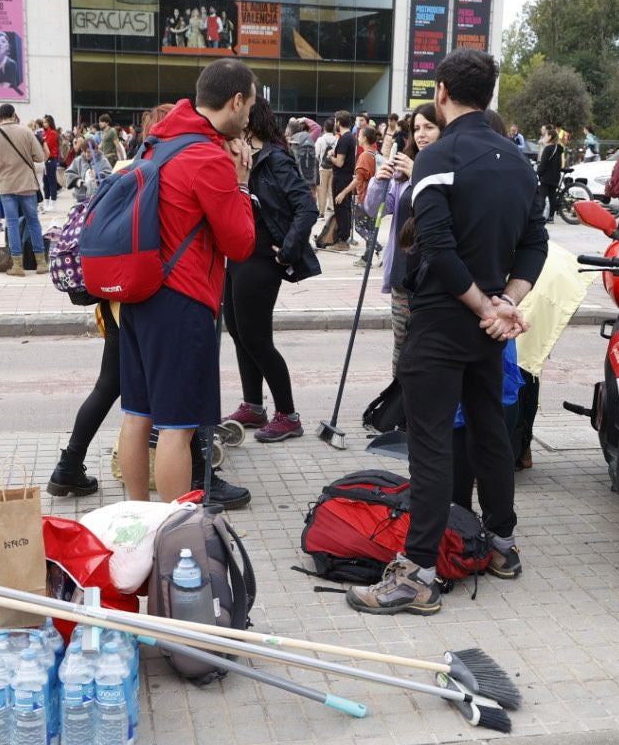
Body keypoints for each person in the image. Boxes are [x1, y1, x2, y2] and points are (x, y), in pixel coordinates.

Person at [346, 49, 546, 617]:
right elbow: (536, 241)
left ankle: (420, 574)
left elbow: (436, 245)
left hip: (441, 320)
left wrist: (490, 303)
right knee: (490, 434)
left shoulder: (438, 157)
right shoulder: (518, 161)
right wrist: (506, 302)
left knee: (431, 445)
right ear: (490, 95)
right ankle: (502, 546)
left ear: (441, 91)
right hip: (489, 327)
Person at [117, 60, 258, 503]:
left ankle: (138, 520)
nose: (250, 117)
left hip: (139, 295)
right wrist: (241, 181)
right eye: (250, 106)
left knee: (137, 416)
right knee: (176, 429)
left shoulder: (157, 144)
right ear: (235, 101)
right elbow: (240, 243)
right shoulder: (207, 158)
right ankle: (174, 531)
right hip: (181, 302)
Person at [222, 99, 320, 444]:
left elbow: (307, 207)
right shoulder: (244, 156)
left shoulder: (275, 158)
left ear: (251, 120)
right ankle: (253, 405)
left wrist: (287, 253)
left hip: (262, 259)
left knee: (257, 338)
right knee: (237, 331)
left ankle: (288, 415)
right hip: (238, 258)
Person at [364, 103, 441, 375]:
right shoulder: (402, 169)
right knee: (402, 344)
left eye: (429, 127)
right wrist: (379, 180)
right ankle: (398, 405)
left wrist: (419, 174)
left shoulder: (448, 169)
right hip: (402, 272)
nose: (421, 134)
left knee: (430, 347)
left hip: (437, 275)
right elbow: (374, 209)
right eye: (417, 128)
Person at [0, 103, 47, 277]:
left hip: (6, 186)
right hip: (27, 185)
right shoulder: (26, 131)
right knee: (33, 222)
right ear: (14, 114)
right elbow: (40, 157)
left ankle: (17, 265)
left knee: (12, 224)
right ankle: (41, 263)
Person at [321, 111, 356, 251]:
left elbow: (340, 162)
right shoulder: (351, 138)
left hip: (341, 178)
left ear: (339, 122)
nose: (335, 123)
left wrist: (330, 156)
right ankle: (342, 237)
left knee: (341, 208)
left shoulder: (344, 139)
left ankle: (342, 241)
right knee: (345, 208)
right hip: (346, 177)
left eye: (336, 121)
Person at [535, 123, 563, 224]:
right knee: (552, 197)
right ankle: (551, 217)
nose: (544, 137)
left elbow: (543, 165)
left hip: (546, 177)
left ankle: (539, 216)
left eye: (546, 135)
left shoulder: (547, 149)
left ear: (550, 136)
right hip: (555, 177)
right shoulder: (558, 148)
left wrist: (538, 174)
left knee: (542, 196)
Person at [314, 118, 336, 217]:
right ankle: (332, 208)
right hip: (334, 167)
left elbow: (316, 154)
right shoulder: (337, 139)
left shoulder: (320, 140)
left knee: (322, 190)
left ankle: (321, 212)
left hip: (322, 169)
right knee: (332, 189)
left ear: (324, 128)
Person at [40, 115, 62, 205]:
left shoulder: (53, 133)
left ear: (49, 123)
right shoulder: (43, 134)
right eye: (43, 122)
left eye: (45, 122)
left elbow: (47, 145)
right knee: (45, 181)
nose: (43, 124)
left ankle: (53, 201)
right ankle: (46, 201)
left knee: (51, 181)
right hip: (44, 159)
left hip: (51, 159)